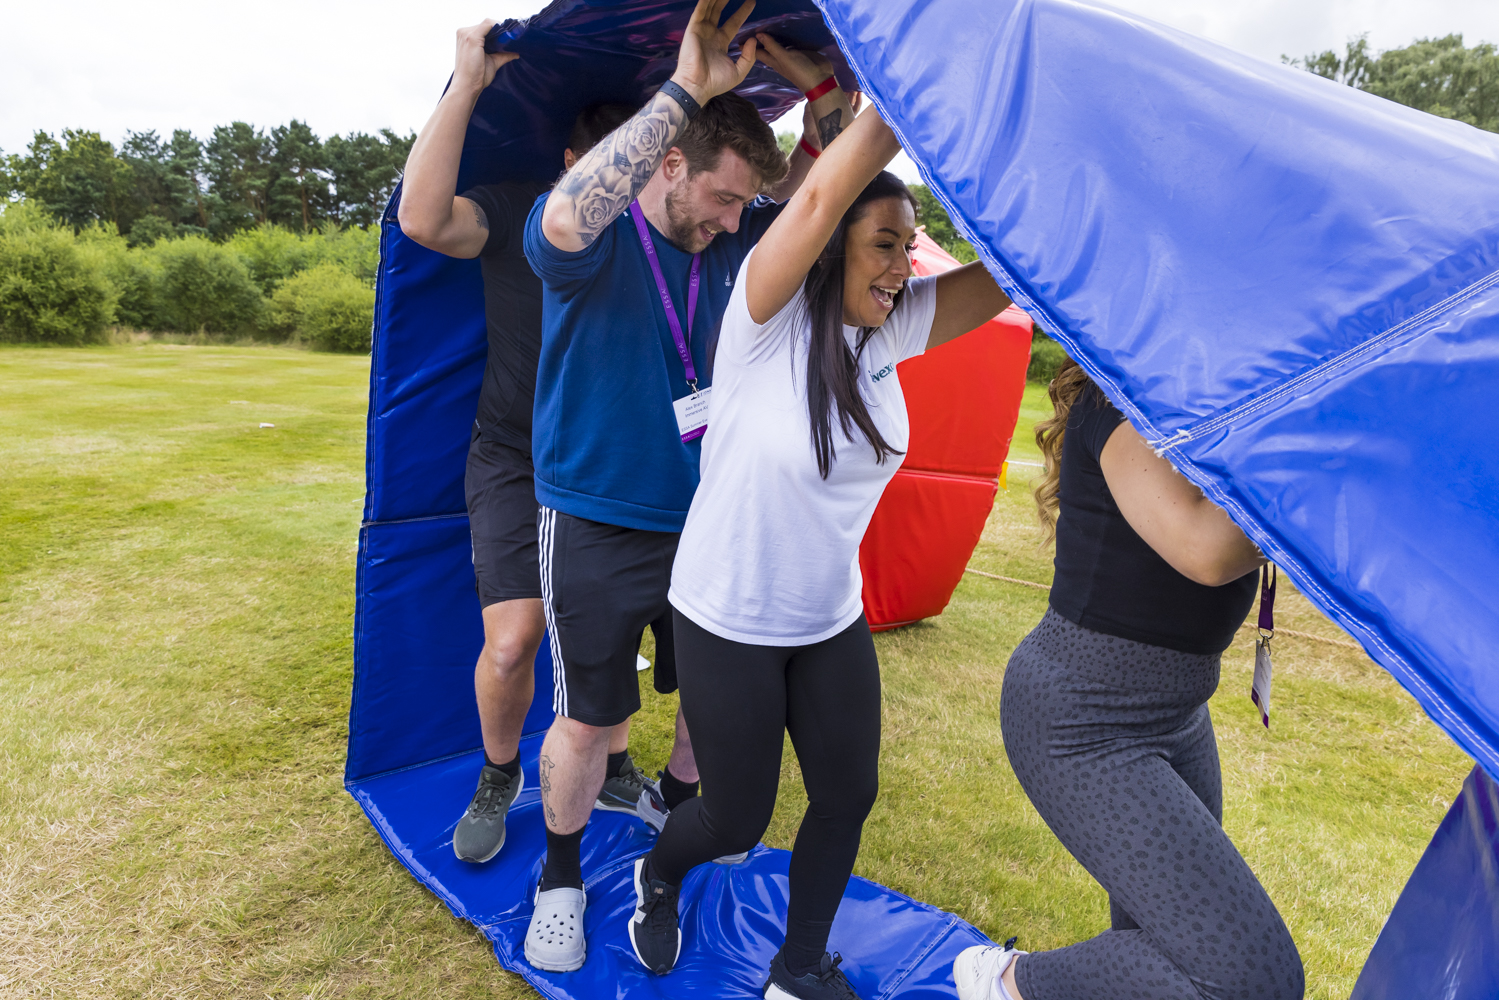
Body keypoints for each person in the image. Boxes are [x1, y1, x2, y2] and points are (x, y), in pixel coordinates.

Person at [621, 92, 1015, 996]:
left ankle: (798, 967)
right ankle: (659, 875)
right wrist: (911, 91)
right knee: (733, 819)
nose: (902, 267)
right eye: (884, 244)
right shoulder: (763, 318)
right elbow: (814, 197)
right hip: (729, 616)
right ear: (834, 241)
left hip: (827, 617)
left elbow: (1005, 280)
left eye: (908, 246)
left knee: (846, 796)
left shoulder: (885, 327)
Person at [519, 0, 854, 974]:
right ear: (668, 164)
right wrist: (685, 86)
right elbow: (560, 217)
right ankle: (559, 877)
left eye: (743, 204)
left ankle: (671, 811)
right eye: (719, 197)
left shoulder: (736, 241)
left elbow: (825, 198)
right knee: (589, 718)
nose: (729, 219)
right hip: (595, 515)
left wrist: (823, 93)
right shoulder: (597, 239)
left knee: (715, 707)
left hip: (712, 523)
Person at [395, 23, 673, 867]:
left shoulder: (662, 237)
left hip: (604, 463)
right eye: (606, 166)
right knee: (514, 639)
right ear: (572, 163)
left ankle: (613, 767)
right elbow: (422, 219)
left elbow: (772, 216)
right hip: (516, 458)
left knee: (614, 630)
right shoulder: (525, 209)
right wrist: (467, 84)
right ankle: (497, 772)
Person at [951, 358, 1305, 1000]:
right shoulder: (1117, 400)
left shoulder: (1212, 400)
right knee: (1250, 978)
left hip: (1178, 712)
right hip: (1082, 721)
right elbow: (1205, 548)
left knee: (1169, 949)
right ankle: (1003, 983)